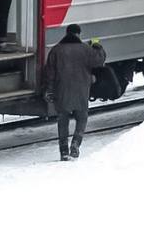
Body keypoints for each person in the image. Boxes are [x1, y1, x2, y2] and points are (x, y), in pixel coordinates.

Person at [43, 24, 106, 161]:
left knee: (63, 120)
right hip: (81, 90)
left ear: (67, 33)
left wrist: (49, 90)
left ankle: (63, 151)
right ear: (78, 34)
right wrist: (97, 46)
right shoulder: (85, 49)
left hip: (62, 91)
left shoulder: (56, 50)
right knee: (82, 117)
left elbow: (49, 74)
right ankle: (76, 144)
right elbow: (99, 61)